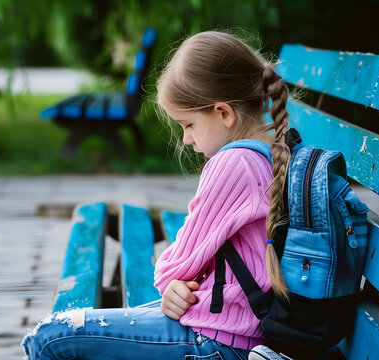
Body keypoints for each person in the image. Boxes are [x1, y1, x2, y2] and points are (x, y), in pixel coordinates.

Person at [22, 30, 291, 360]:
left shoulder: (235, 164)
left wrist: (169, 284)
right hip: (243, 326)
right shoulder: (274, 148)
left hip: (225, 341)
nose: (187, 139)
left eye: (188, 124)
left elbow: (177, 263)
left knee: (48, 337)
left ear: (224, 113)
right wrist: (177, 283)